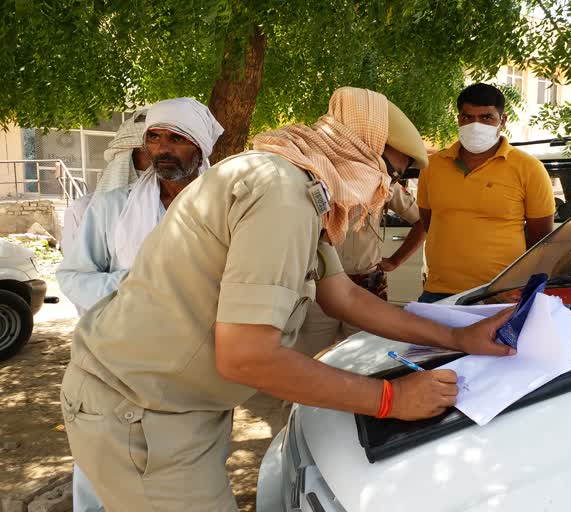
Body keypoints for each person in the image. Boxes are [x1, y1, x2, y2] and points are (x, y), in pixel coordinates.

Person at [59, 87, 515, 511]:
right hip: (140, 411)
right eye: (390, 170)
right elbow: (247, 358)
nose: (385, 186)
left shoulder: (302, 187)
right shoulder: (278, 193)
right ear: (357, 151)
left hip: (177, 403)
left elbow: (343, 298)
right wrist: (390, 399)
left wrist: (459, 335)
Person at [56, 97, 223, 512]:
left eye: (176, 139)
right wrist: (137, 286)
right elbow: (72, 277)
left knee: (188, 480)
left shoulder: (224, 213)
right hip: (113, 370)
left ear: (200, 147)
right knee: (99, 478)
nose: (163, 148)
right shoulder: (112, 209)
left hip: (192, 377)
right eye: (155, 137)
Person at [417, 83, 556, 303]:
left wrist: (513, 287)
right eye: (467, 117)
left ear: (503, 121)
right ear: (458, 119)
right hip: (438, 291)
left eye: (486, 117)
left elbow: (541, 239)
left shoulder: (528, 168)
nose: (475, 125)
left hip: (500, 294)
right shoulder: (432, 166)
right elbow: (430, 223)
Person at [297, 167, 427, 356]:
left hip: (366, 285)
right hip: (320, 285)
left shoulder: (382, 181)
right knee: (311, 356)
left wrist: (395, 261)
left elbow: (422, 221)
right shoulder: (316, 175)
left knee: (367, 356)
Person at [60, 109, 152, 255]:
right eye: (151, 154)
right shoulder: (82, 211)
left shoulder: (181, 209)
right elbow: (77, 274)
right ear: (126, 158)